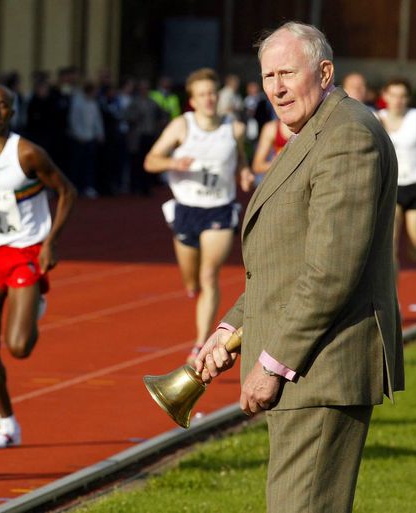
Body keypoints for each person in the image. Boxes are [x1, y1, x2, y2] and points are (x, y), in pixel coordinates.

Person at [194, 22, 404, 513]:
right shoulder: (321, 128)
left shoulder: (346, 134)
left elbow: (331, 269)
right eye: (268, 75)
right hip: (310, 368)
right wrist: (229, 330)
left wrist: (272, 362)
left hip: (320, 367)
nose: (277, 88)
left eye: (287, 72)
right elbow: (289, 262)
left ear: (325, 71)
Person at [0, 85, 76, 449]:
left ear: (12, 113)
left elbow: (67, 191)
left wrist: (51, 242)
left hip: (25, 252)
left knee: (19, 347)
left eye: (4, 104)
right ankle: (6, 421)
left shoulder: (27, 153)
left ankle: (34, 306)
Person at [143, 67, 253, 366]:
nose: (209, 99)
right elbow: (150, 161)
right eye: (202, 94)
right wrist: (174, 161)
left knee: (209, 274)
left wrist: (243, 171)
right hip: (187, 208)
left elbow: (240, 157)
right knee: (191, 280)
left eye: (212, 93)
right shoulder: (182, 126)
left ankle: (199, 341)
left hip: (219, 207)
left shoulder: (233, 126)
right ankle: (192, 288)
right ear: (192, 100)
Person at [376, 77, 416, 311]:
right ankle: (393, 304)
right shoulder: (374, 118)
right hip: (390, 187)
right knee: (389, 247)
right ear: (385, 96)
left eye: (403, 96)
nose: (398, 100)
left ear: (407, 98)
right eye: (394, 95)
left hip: (413, 186)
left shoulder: (414, 119)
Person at [251, 119, 293, 184]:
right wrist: (276, 164)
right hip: (279, 182)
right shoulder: (271, 128)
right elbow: (257, 166)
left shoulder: (309, 125)